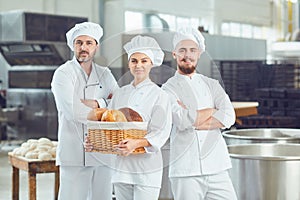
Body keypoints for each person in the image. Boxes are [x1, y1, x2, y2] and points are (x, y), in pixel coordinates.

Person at [86, 35, 172, 200]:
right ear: (128, 64)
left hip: (146, 168)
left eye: (144, 61)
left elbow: (161, 131)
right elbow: (107, 124)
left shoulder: (160, 95)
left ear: (151, 63)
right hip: (122, 168)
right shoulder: (120, 93)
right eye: (134, 61)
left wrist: (137, 143)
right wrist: (93, 141)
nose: (138, 65)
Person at [161, 27, 238, 200]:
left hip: (217, 166)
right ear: (174, 54)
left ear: (199, 54)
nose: (187, 55)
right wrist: (212, 111)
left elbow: (229, 116)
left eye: (192, 50)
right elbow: (180, 120)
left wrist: (194, 120)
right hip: (186, 169)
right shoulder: (167, 89)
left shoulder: (212, 84)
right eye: (182, 50)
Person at [51, 22, 119, 200]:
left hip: (103, 151)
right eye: (79, 43)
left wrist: (97, 103)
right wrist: (106, 108)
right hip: (74, 152)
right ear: (72, 46)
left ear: (96, 46)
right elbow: (74, 111)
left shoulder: (105, 74)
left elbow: (119, 105)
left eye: (89, 43)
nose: (83, 47)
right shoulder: (63, 74)